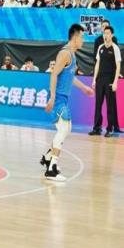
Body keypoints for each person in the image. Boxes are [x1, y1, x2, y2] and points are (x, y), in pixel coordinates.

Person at [42, 24, 94, 181]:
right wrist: (52, 97)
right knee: (63, 128)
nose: (83, 40)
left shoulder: (73, 55)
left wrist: (84, 88)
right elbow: (53, 74)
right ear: (75, 37)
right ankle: (51, 169)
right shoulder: (64, 53)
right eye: (82, 37)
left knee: (67, 128)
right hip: (57, 98)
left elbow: (70, 77)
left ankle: (48, 157)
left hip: (63, 98)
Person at [89, 26, 121, 137]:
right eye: (104, 33)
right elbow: (97, 64)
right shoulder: (100, 47)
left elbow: (118, 66)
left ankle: (110, 129)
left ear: (112, 35)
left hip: (110, 80)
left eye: (108, 33)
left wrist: (115, 82)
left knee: (110, 105)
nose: (105, 35)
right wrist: (94, 80)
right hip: (100, 80)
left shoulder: (115, 48)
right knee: (98, 104)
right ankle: (97, 128)